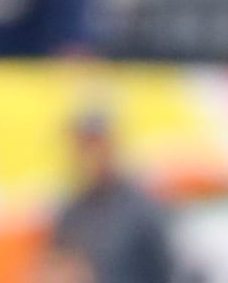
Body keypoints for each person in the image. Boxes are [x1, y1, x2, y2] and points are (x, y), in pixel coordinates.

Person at [38, 109, 173, 283]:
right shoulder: (70, 215)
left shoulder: (142, 209)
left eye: (94, 144)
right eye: (81, 146)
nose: (88, 155)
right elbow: (54, 265)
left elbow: (167, 272)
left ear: (111, 145)